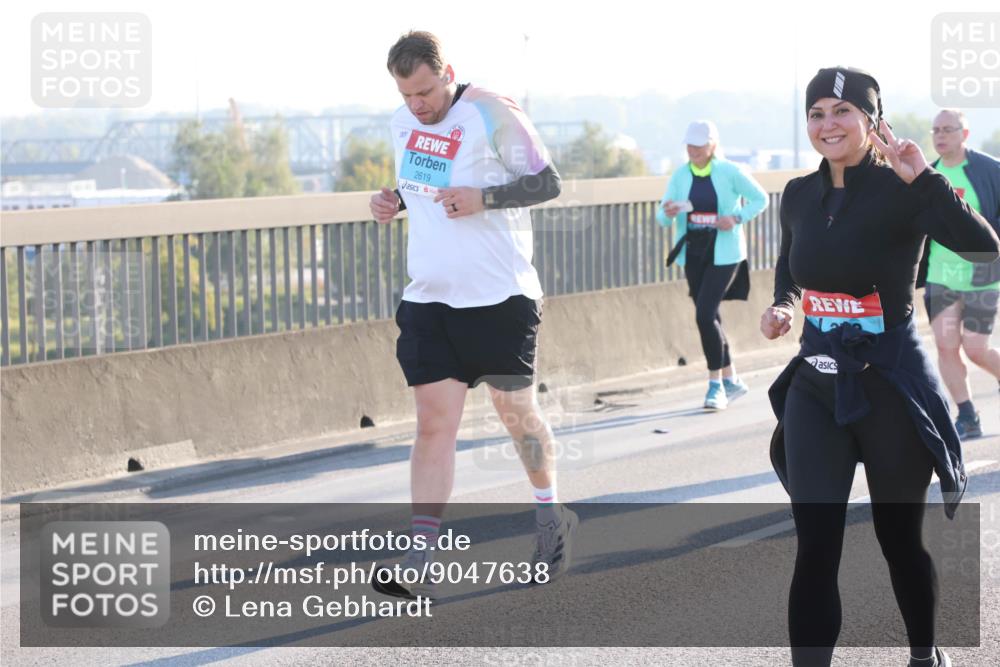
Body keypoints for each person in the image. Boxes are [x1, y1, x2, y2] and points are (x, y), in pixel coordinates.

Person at [761, 67, 999, 667]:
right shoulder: (795, 195)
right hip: (816, 384)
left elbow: (983, 248)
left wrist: (924, 181)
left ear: (872, 122)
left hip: (890, 385)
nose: (828, 124)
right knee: (816, 546)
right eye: (817, 113)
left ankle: (924, 654)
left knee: (899, 543)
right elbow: (792, 265)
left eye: (843, 111)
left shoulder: (904, 187)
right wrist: (784, 305)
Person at [367, 31, 576, 601]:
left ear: (448, 73)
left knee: (517, 417)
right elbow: (422, 185)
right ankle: (420, 557)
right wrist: (392, 200)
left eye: (427, 92)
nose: (419, 106)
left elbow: (548, 182)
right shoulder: (401, 122)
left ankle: (549, 515)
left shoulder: (491, 110)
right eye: (408, 95)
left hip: (500, 295)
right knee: (434, 425)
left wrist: (484, 200)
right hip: (430, 296)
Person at [656, 120, 769, 410]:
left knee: (704, 315)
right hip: (693, 253)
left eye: (699, 144)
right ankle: (732, 380)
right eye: (690, 144)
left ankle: (715, 385)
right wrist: (667, 212)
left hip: (726, 253)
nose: (693, 149)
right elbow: (662, 217)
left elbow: (760, 199)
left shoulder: (730, 172)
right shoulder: (680, 175)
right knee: (712, 316)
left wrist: (736, 218)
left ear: (713, 145)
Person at [921, 108, 1000, 439]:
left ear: (964, 134)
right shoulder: (925, 174)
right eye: (935, 130)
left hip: (984, 274)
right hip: (941, 275)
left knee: (976, 348)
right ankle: (967, 415)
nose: (940, 135)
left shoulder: (990, 170)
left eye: (948, 129)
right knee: (945, 344)